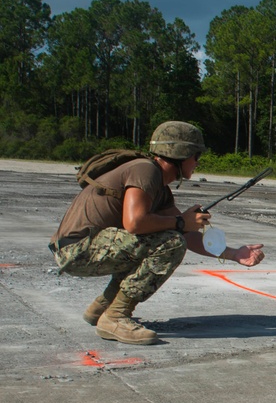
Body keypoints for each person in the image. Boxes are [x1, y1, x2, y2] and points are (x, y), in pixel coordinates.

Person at [49, 121, 265, 345]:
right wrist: (181, 222)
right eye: (196, 156)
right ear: (181, 154)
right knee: (170, 243)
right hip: (77, 250)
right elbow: (135, 223)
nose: (197, 162)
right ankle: (115, 317)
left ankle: (102, 307)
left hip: (82, 248)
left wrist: (234, 254)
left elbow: (188, 235)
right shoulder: (145, 170)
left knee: (166, 239)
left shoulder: (159, 187)